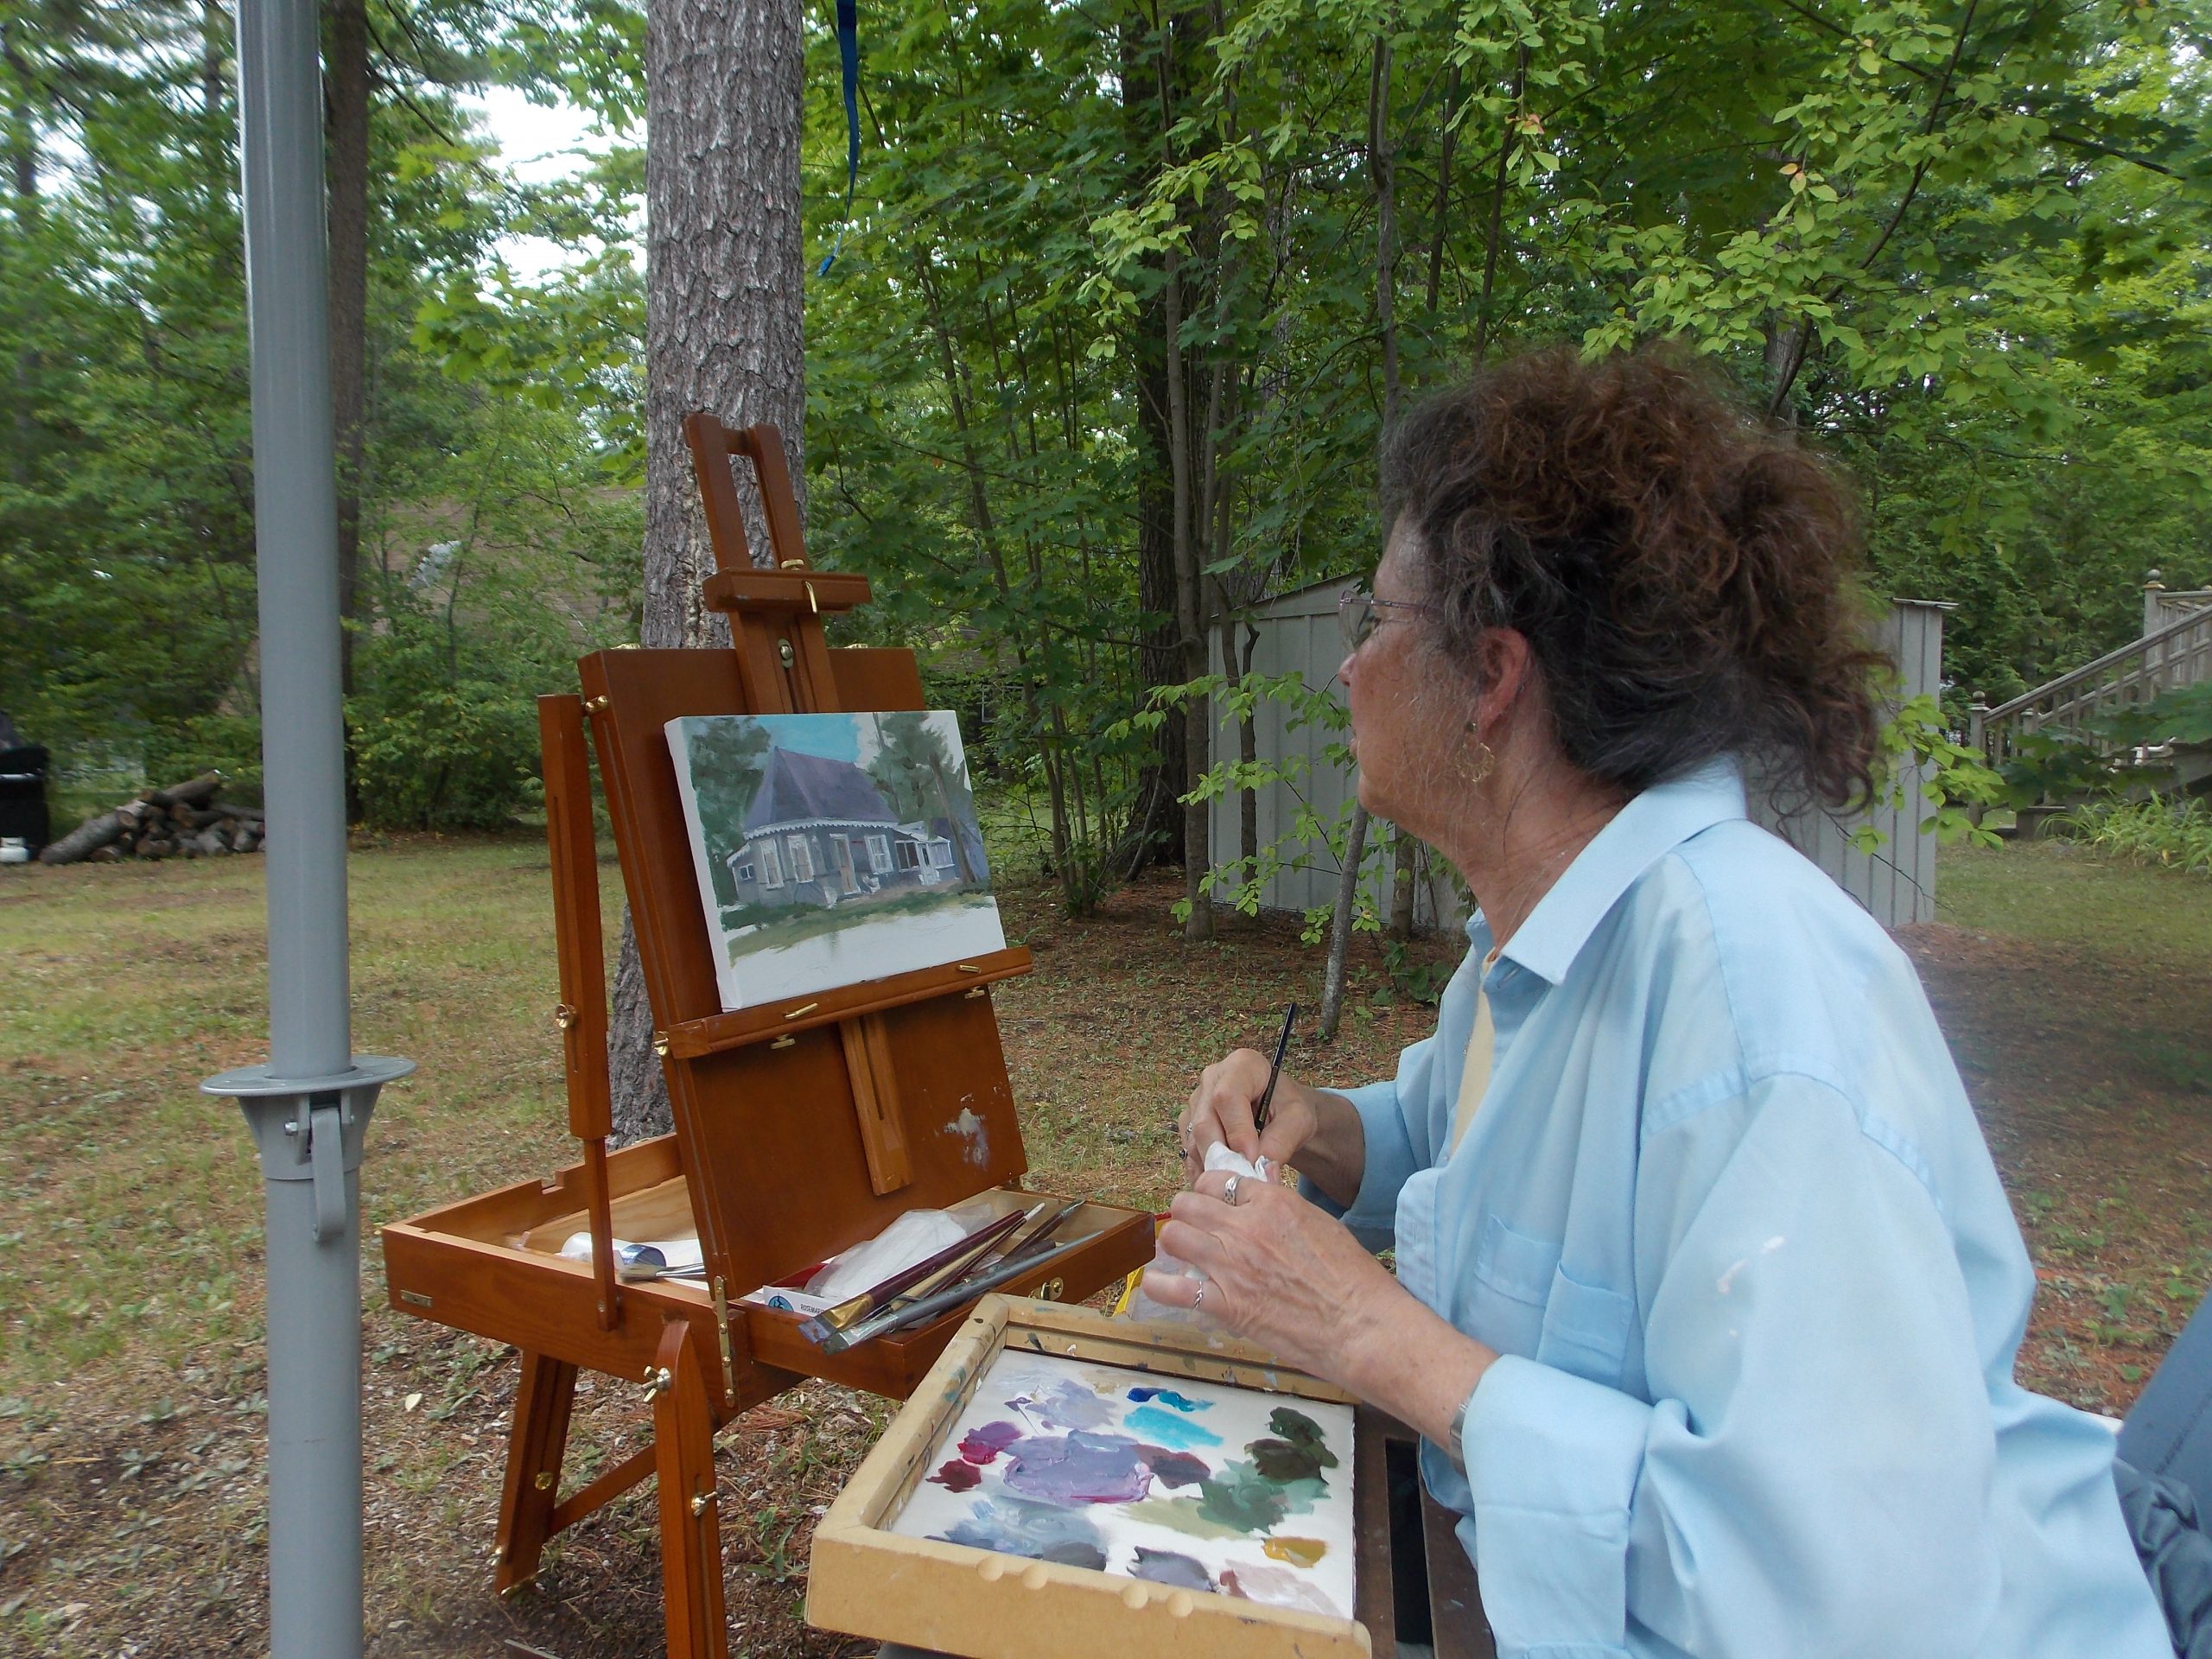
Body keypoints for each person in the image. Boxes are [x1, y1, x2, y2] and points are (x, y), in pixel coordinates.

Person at [1152, 347, 2170, 1657]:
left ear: (1492, 678)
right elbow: (1470, 1140)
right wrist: (1322, 1123)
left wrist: (1368, 1327)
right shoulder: (1543, 937)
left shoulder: (1761, 1010)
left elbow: (1837, 1598)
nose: (1348, 670)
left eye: (1376, 623)